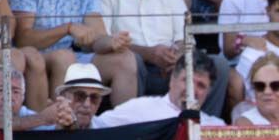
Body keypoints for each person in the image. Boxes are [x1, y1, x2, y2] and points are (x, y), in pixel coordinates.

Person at [7, 0, 139, 104]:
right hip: (32, 57)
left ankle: (123, 123)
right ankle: (60, 121)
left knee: (125, 59)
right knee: (64, 57)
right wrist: (66, 29)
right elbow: (22, 38)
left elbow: (96, 38)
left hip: (70, 55)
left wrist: (111, 42)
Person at [93, 49, 228, 126]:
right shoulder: (141, 108)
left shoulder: (216, 126)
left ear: (208, 92)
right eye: (187, 81)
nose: (192, 90)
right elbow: (97, 125)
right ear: (172, 80)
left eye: (201, 85)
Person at [52, 60, 110, 128]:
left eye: (94, 97)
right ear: (63, 96)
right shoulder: (43, 131)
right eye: (80, 96)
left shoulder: (106, 129)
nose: (87, 105)